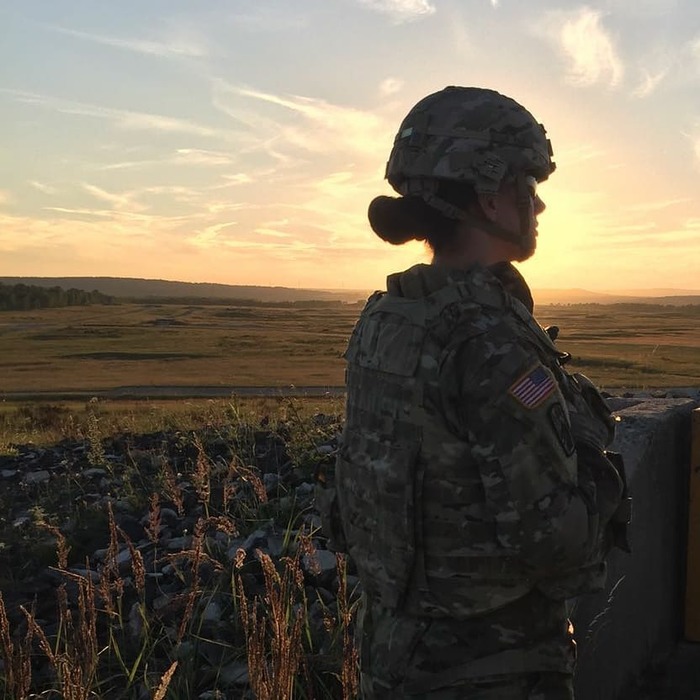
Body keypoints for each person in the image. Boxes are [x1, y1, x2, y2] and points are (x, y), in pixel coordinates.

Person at [316, 86, 630, 699]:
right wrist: (601, 466)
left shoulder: (389, 316)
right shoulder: (488, 340)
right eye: (527, 185)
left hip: (393, 655)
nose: (538, 203)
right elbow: (554, 542)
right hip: (489, 667)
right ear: (488, 195)